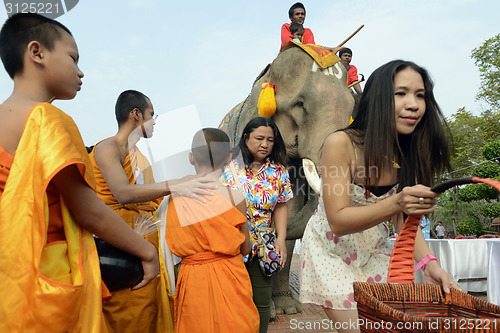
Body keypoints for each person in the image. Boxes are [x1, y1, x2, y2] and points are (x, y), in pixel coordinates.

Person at [0, 13, 159, 332]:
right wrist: (146, 250)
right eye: (73, 58)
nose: (80, 70)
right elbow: (89, 211)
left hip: (9, 271)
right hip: (50, 270)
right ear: (37, 52)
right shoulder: (48, 120)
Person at [299, 60, 458, 332]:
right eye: (401, 93)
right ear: (377, 98)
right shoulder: (341, 144)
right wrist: (395, 202)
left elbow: (404, 221)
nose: (414, 104)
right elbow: (338, 220)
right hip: (331, 252)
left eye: (420, 95)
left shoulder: (410, 150)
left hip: (375, 251)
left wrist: (429, 264)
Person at [90, 90, 217, 332]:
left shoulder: (141, 157)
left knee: (148, 309)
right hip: (117, 239)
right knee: (122, 310)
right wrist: (175, 185)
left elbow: (150, 196)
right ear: (136, 114)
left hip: (147, 238)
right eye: (151, 114)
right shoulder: (107, 148)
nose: (155, 120)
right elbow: (123, 193)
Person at [165, 128, 259, 333]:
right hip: (230, 277)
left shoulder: (175, 197)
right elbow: (244, 248)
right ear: (227, 160)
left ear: (191, 158)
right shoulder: (235, 197)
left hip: (193, 278)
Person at [220, 117, 293, 333]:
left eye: (270, 140)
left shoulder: (278, 171)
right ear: (246, 137)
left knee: (262, 300)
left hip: (263, 245)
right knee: (232, 300)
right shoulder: (228, 168)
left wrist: (280, 240)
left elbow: (280, 206)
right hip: (231, 242)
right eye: (259, 138)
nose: (265, 144)